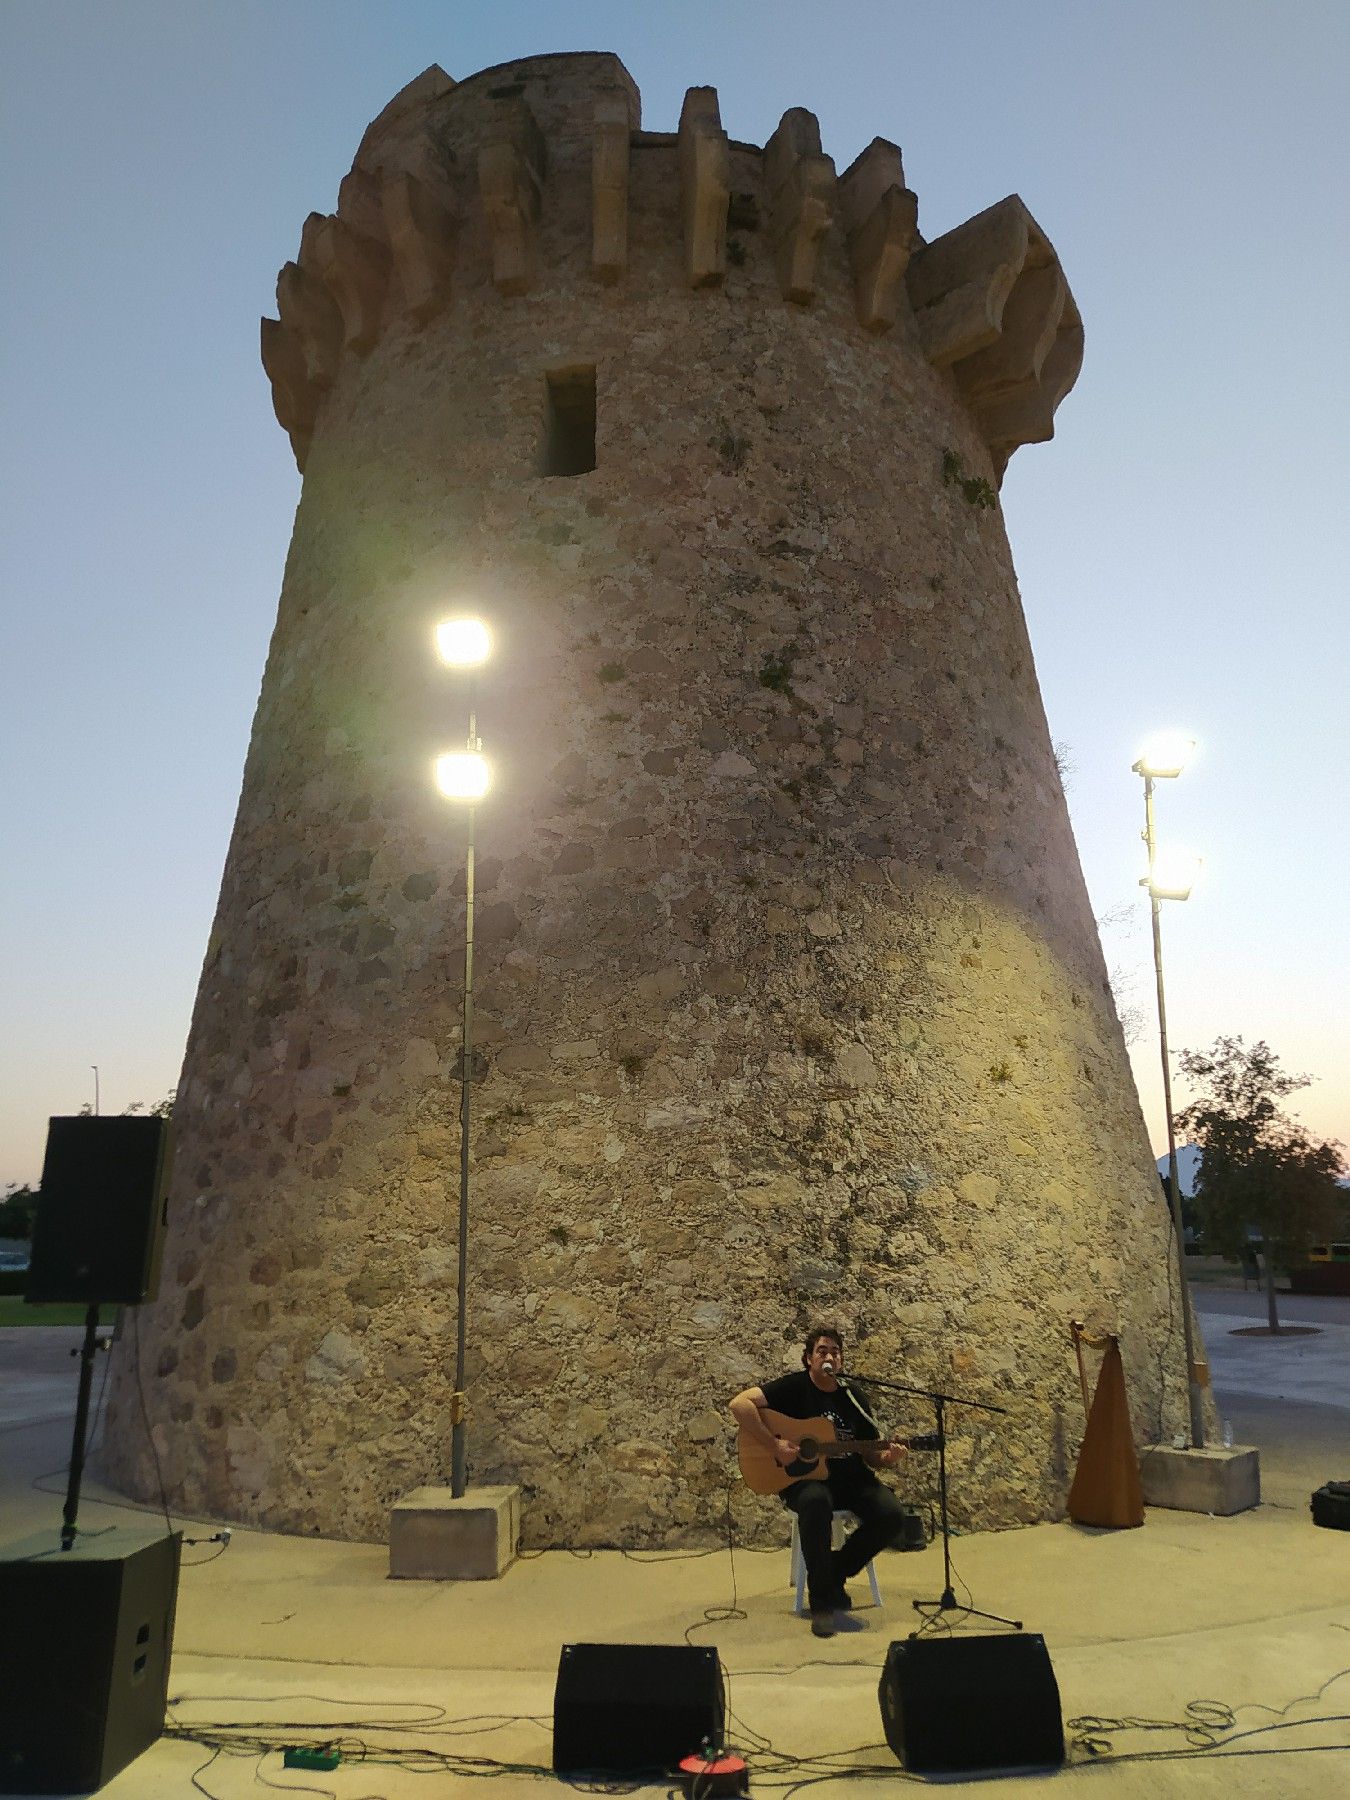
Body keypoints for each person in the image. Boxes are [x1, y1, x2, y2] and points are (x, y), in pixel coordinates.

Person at [729, 1326, 910, 1637]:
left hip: (852, 1480)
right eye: (822, 1351)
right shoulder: (794, 1388)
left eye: (835, 1352)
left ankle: (831, 1571)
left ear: (840, 1362)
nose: (829, 1356)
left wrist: (887, 1458)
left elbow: (870, 1454)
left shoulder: (853, 1397)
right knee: (815, 1501)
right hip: (804, 1480)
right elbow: (739, 1405)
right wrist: (775, 1446)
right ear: (808, 1359)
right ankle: (823, 1604)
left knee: (892, 1515)